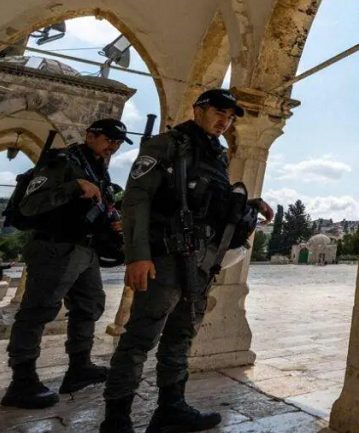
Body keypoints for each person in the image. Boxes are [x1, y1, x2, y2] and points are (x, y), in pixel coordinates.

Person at [101, 89, 273, 433]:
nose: (224, 121)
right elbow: (136, 201)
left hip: (199, 260)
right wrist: (138, 256)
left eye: (230, 116)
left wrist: (249, 204)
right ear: (198, 110)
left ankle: (171, 408)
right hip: (163, 257)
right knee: (140, 337)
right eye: (218, 113)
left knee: (181, 336)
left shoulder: (215, 156)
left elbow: (207, 203)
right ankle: (117, 418)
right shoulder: (167, 145)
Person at [2, 119, 130, 409]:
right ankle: (22, 380)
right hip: (55, 246)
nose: (113, 146)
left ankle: (79, 368)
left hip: (85, 249)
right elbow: (30, 205)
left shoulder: (97, 168)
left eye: (118, 143)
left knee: (90, 305)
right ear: (90, 136)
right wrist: (74, 186)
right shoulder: (62, 163)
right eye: (109, 139)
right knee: (38, 311)